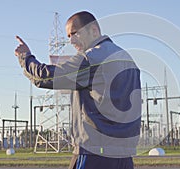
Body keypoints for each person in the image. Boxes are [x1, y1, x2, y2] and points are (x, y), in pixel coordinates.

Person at [15, 11, 141, 169]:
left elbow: (45, 77)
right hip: (123, 156)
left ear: (94, 30)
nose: (71, 40)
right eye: (68, 36)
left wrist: (25, 57)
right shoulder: (128, 60)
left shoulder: (91, 58)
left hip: (94, 154)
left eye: (74, 33)